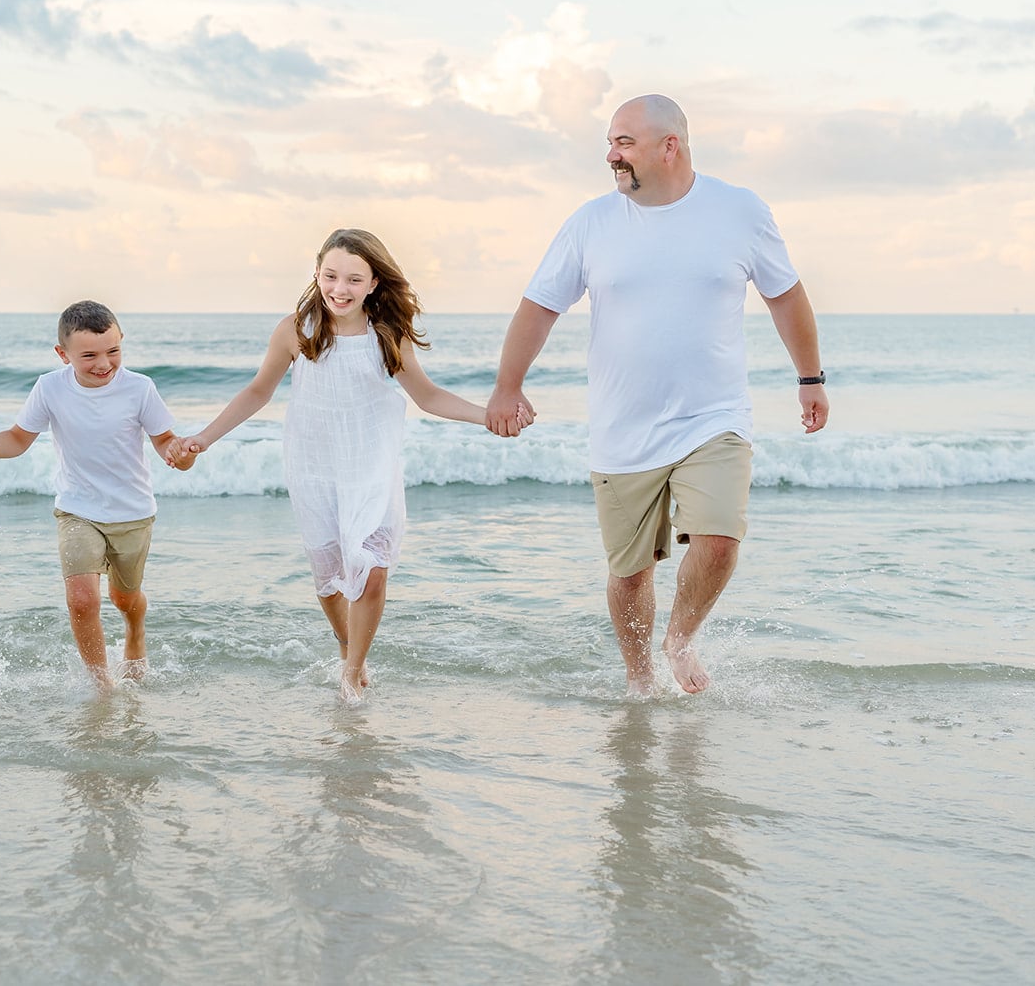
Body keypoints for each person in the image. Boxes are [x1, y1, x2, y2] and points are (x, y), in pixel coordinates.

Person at [486, 94, 829, 697]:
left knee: (720, 539)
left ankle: (680, 639)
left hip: (713, 417)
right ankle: (639, 679)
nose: (611, 156)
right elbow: (539, 308)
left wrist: (810, 379)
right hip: (623, 427)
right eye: (611, 143)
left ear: (669, 145)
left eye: (624, 143)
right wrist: (507, 387)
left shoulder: (739, 210)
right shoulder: (591, 222)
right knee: (629, 572)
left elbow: (785, 296)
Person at [170, 229, 502, 702]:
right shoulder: (296, 330)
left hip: (370, 464)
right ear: (317, 274)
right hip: (314, 465)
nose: (339, 289)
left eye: (353, 279)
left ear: (373, 284)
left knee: (370, 568)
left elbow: (427, 396)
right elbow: (257, 392)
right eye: (330, 276)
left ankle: (352, 670)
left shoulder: (387, 333)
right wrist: (203, 438)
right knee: (329, 580)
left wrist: (485, 415)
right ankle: (349, 645)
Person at [0, 301, 196, 688]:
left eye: (113, 351)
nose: (104, 364)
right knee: (83, 600)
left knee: (125, 598)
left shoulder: (140, 388)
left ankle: (135, 632)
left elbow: (166, 443)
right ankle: (103, 688)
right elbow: (16, 439)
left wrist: (181, 456)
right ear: (63, 354)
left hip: (131, 512)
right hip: (76, 509)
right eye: (89, 356)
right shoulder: (50, 387)